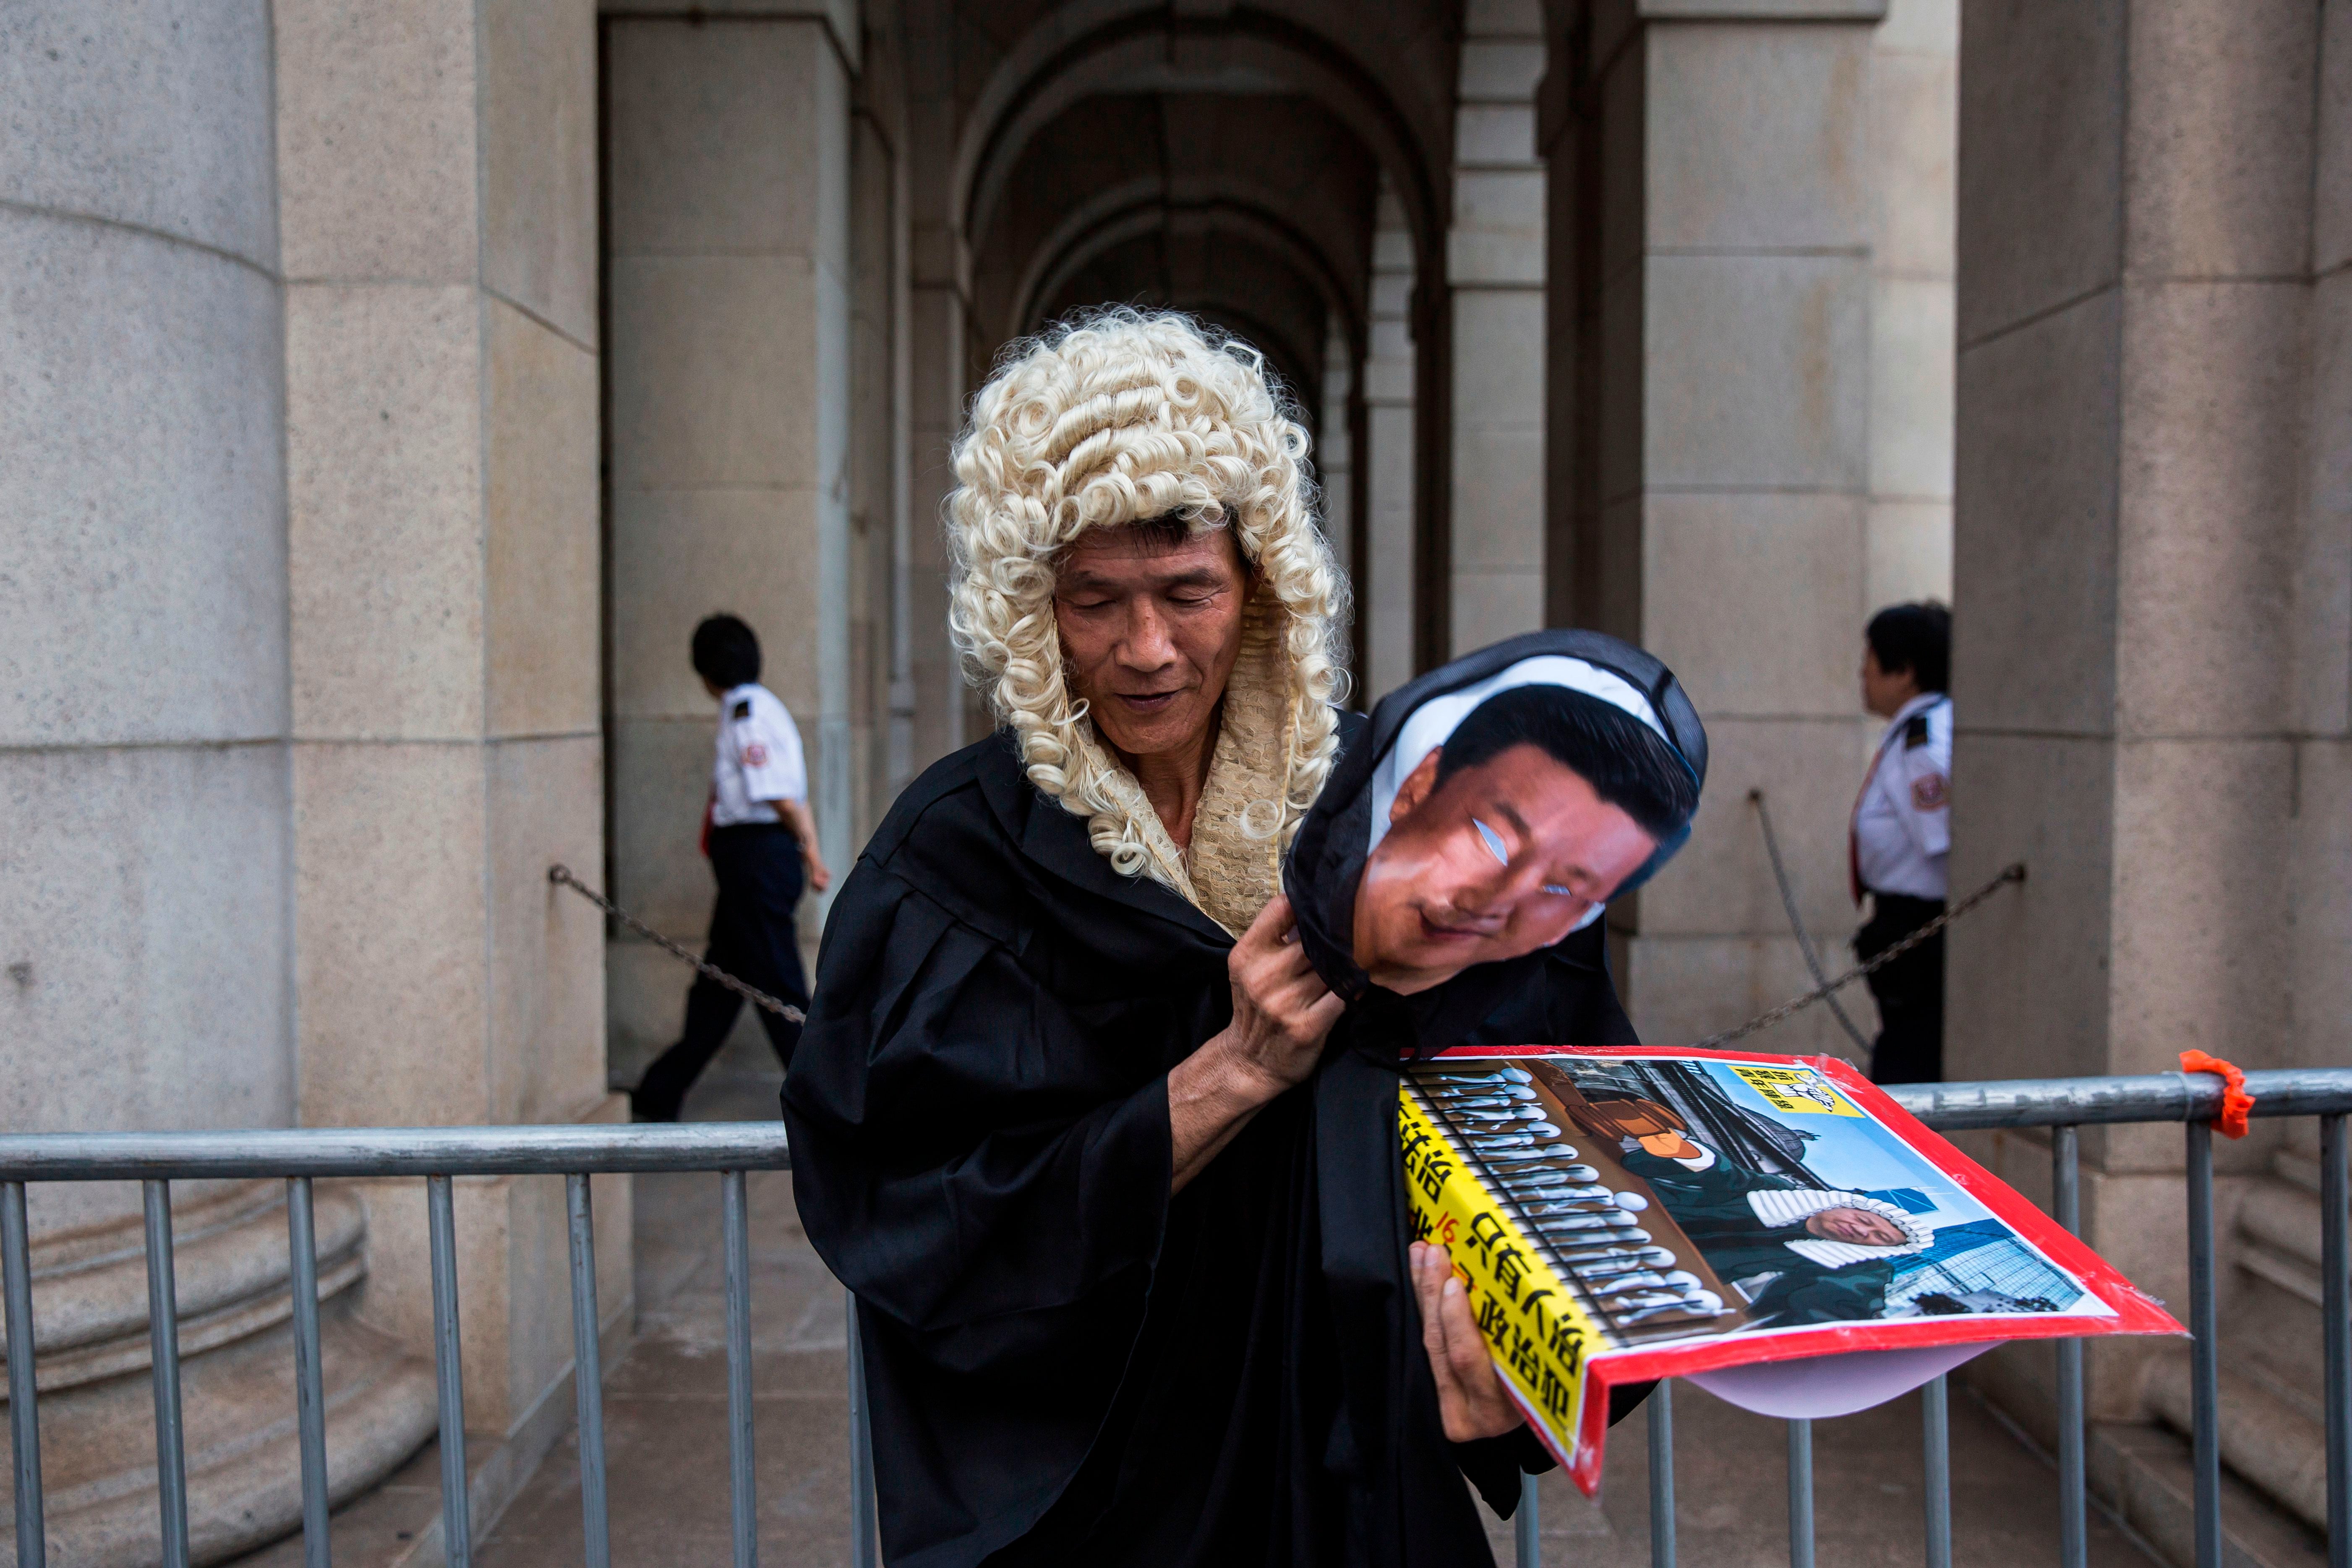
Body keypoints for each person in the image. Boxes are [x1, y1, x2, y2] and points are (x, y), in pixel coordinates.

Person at [784, 312, 1661, 1568]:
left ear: (1258, 584)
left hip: (1357, 1484)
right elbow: (901, 1212)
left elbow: (1571, 1134)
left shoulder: (1402, 819)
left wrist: (1524, 1370)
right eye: (1094, 601)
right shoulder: (950, 862)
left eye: (1185, 592)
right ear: (1027, 609)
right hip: (1096, 1504)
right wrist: (1228, 1075)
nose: (1144, 650)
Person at [631, 615, 830, 1123]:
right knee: (718, 988)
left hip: (755, 862)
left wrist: (809, 853)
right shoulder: (754, 707)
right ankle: (658, 1094)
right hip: (753, 863)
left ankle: (831, 1100)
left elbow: (780, 796)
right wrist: (809, 853)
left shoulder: (746, 712)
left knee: (780, 988)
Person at [1595, 1096, 1932, 1327]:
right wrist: (1679, 1149)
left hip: (1651, 1275)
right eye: (1866, 1220)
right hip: (1615, 1212)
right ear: (1847, 1204)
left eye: (1880, 1238)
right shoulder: (1779, 1192)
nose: (1862, 1231)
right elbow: (1726, 1176)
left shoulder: (1857, 1268)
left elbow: (1844, 1300)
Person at [1851, 601, 1952, 1085]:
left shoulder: (1923, 743)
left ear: (1905, 670)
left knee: (1906, 1062)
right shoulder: (1914, 732)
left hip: (1918, 923)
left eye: (1871, 658)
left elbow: (1941, 842)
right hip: (1905, 921)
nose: (1862, 672)